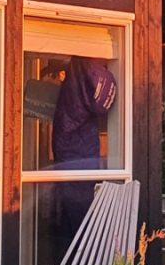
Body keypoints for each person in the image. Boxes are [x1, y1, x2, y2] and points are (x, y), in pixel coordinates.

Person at [50, 57, 117, 254]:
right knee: (84, 213)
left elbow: (65, 124)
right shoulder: (96, 79)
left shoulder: (76, 79)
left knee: (71, 215)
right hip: (88, 158)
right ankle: (86, 257)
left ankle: (74, 260)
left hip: (70, 158)